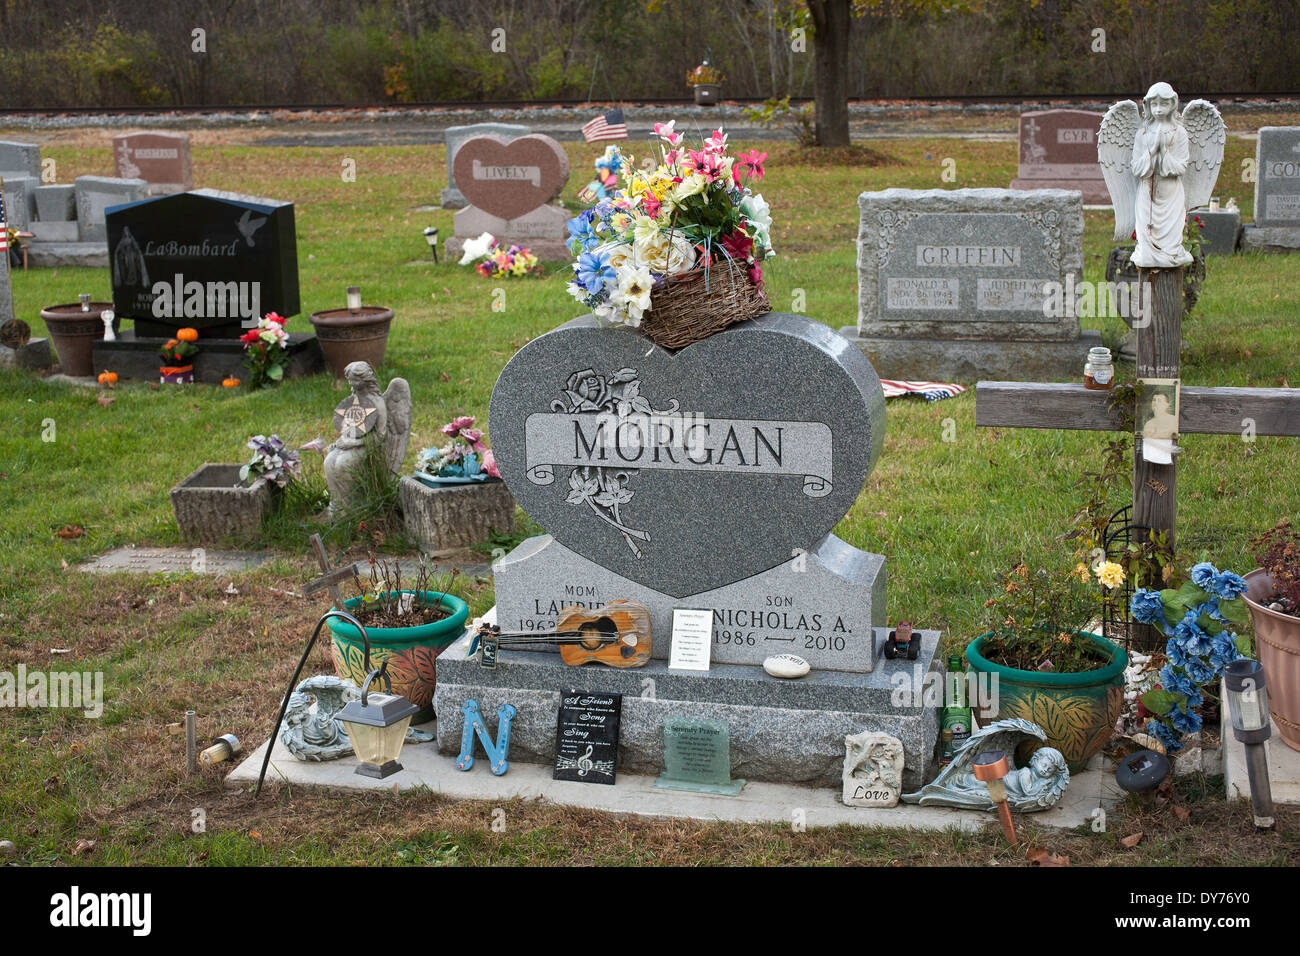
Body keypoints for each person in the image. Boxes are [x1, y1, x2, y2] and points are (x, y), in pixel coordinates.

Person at [1130, 82, 1193, 268]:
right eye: (1154, 104)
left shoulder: (1179, 132)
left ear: (1172, 104)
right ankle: (1148, 254)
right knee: (1146, 248)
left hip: (1171, 193)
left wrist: (1163, 151)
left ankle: (1171, 253)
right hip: (1147, 193)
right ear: (1147, 105)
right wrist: (1152, 152)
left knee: (1171, 244)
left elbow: (1181, 167)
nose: (1158, 109)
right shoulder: (1142, 133)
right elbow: (1136, 168)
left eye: (1163, 104)